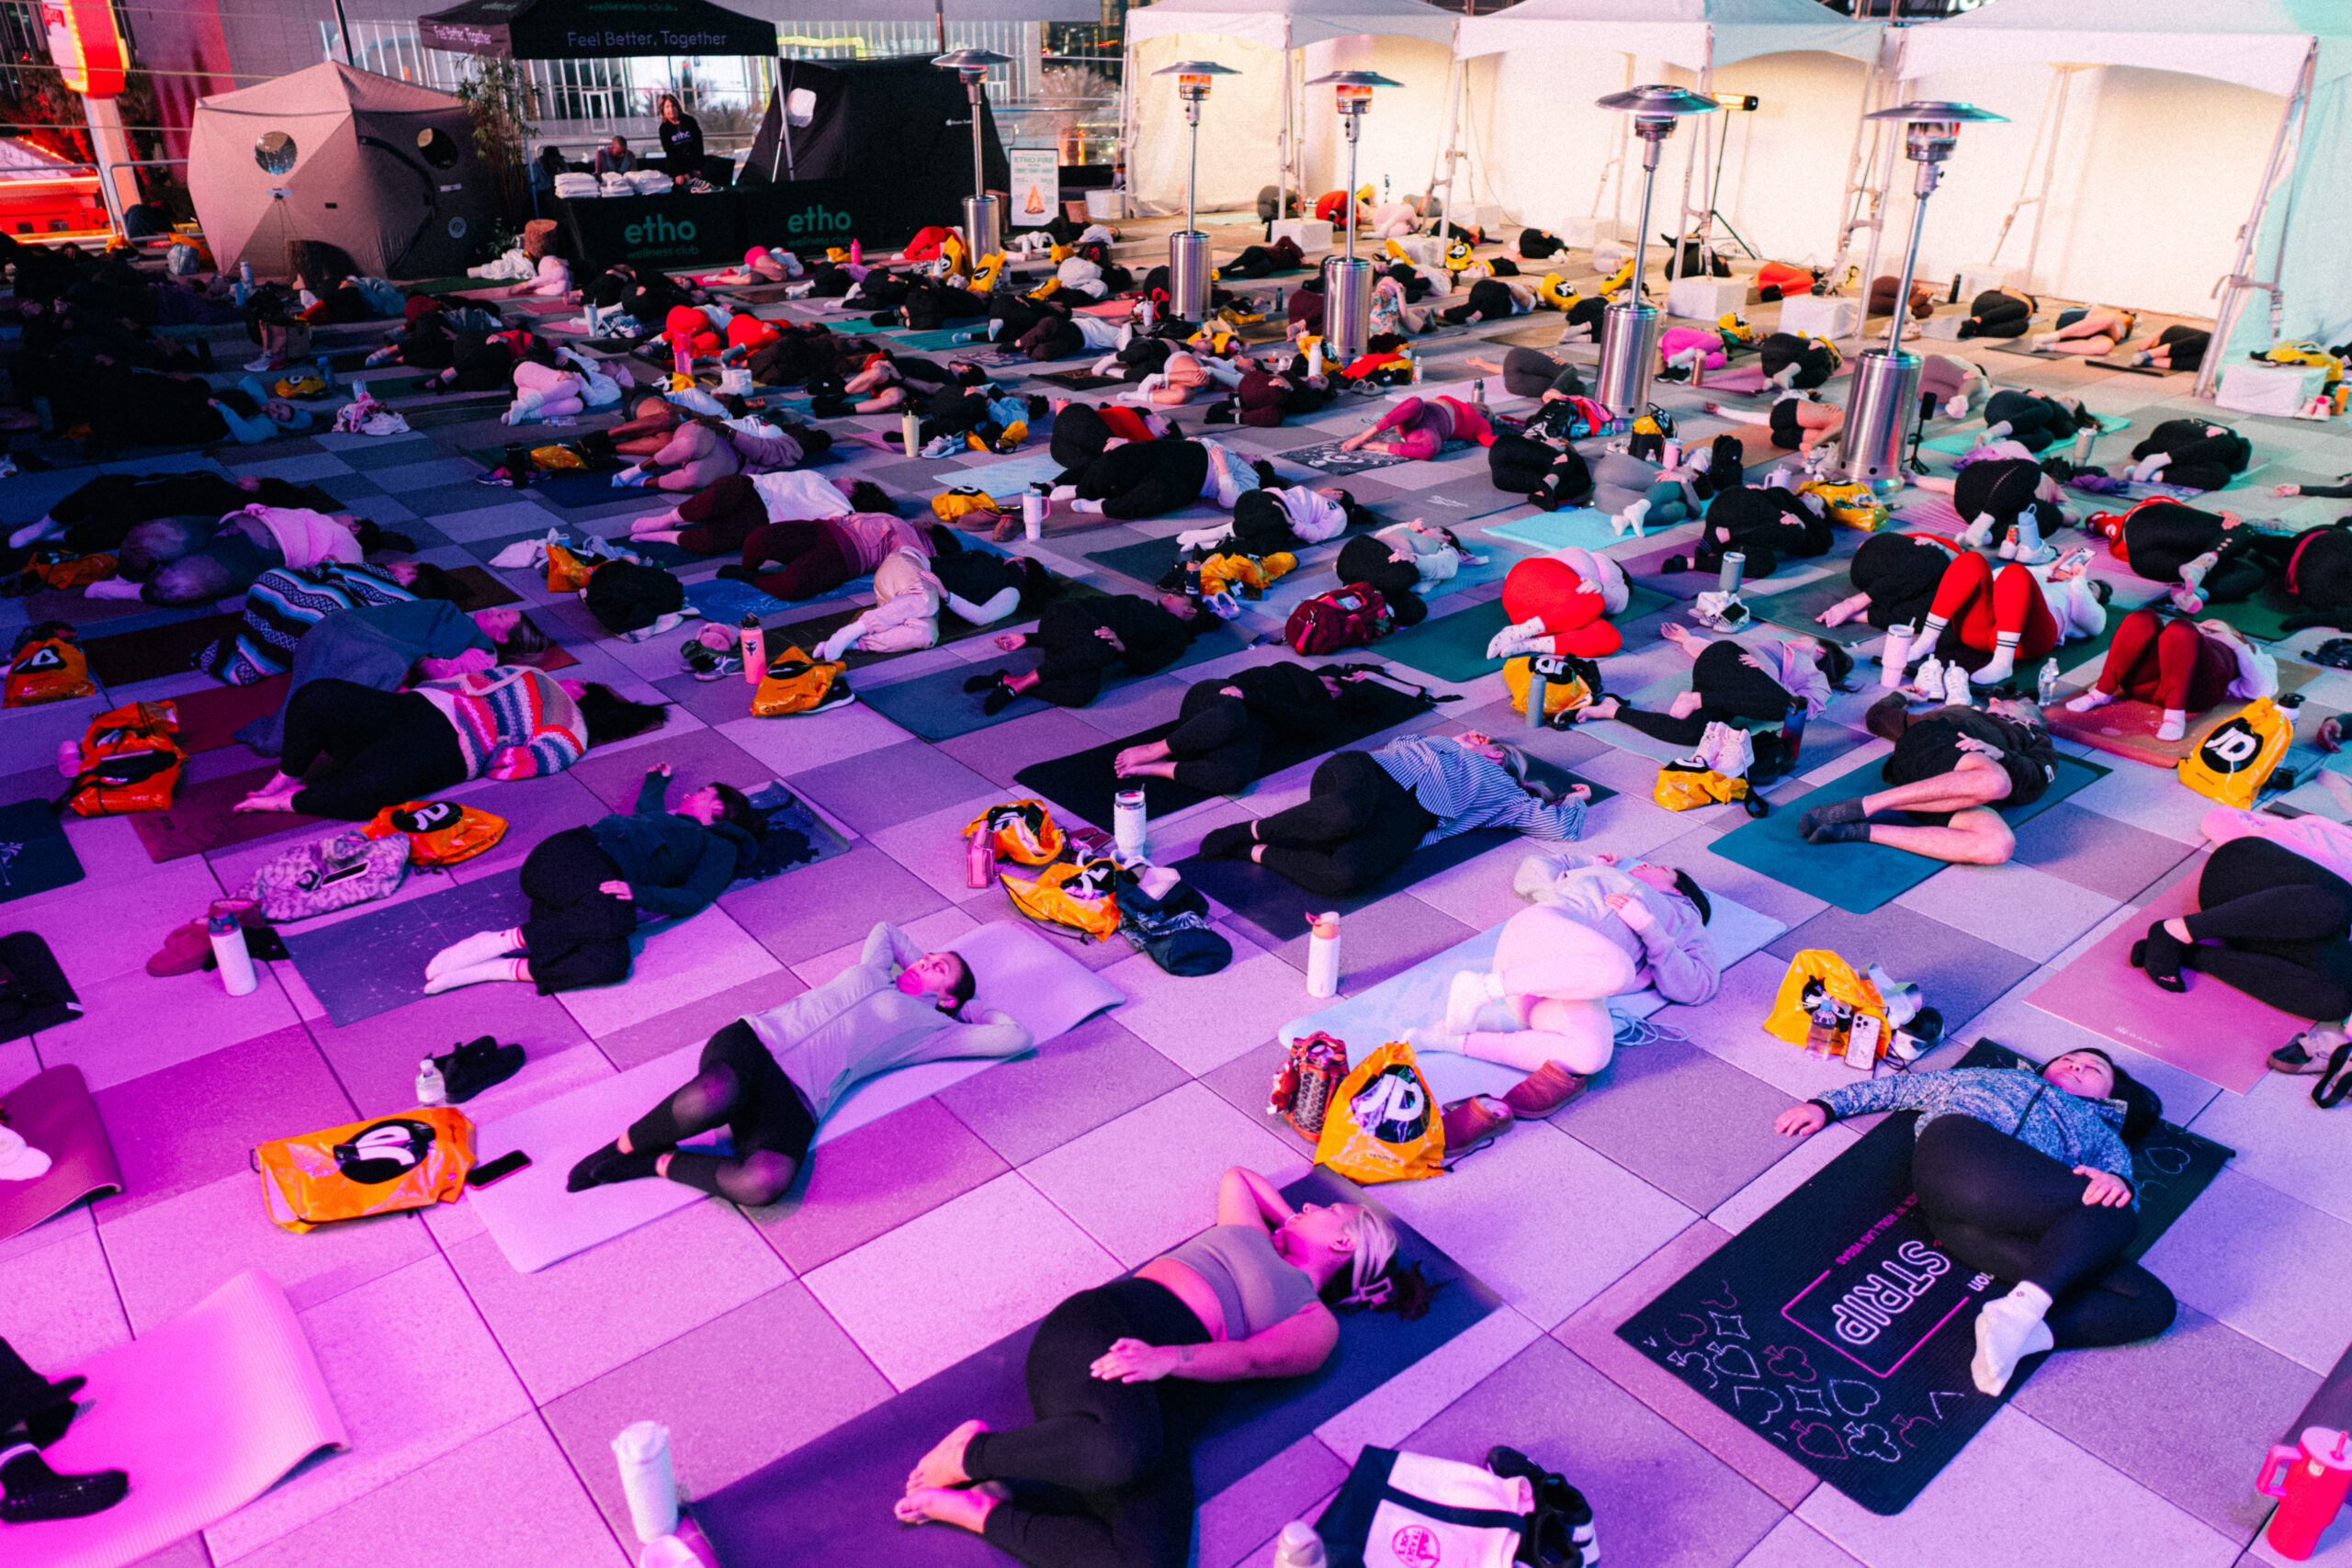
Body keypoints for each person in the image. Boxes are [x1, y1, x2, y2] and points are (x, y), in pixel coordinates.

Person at [894, 1166, 1398, 1566]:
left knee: (1148, 1560)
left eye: (1328, 1209)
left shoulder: (1314, 1319)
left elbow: (1249, 1360)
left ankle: (984, 1512)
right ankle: (974, 1454)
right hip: (1107, 1329)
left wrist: (1166, 1361)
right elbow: (1238, 1177)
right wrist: (1294, 1220)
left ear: (1345, 1243)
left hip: (1163, 1402)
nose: (1310, 1204)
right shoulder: (1248, 1232)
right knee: (1122, 1452)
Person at [1775, 1048, 2173, 1394]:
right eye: (2068, 1059)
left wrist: (2116, 1181)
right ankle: (2022, 1308)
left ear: (2110, 1098)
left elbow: (2117, 1203)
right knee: (2112, 1209)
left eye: (2093, 1069)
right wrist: (1824, 1105)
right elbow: (1900, 1090)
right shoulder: (1993, 1077)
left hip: (1967, 1230)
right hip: (1957, 1153)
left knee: (2151, 1302)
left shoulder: (2104, 1138)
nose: (2075, 1066)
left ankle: (2022, 1331)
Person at [569, 923, 1030, 1206]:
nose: (926, 961)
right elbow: (886, 929)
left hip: (798, 1098)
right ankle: (623, 1148)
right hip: (756, 1042)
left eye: (939, 968)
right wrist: (923, 966)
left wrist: (967, 1008)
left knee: (765, 1183)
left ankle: (659, 1162)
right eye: (928, 957)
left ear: (948, 996)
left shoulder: (935, 1032)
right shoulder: (874, 969)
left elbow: (1015, 1038)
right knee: (712, 1095)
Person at [1406, 852, 1716, 1122]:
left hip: (1561, 984)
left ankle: (1447, 1038)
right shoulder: (1597, 875)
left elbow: (1698, 987)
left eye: (1660, 868)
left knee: (1591, 1056)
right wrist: (1588, 864)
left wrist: (1650, 929)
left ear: (1681, 891)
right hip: (1535, 937)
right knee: (1618, 970)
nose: (1645, 864)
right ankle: (1482, 988)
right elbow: (1530, 872)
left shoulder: (1684, 916)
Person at [424, 764, 763, 994]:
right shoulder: (668, 823)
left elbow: (693, 896)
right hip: (568, 855)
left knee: (611, 964)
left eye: (703, 791)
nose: (690, 795)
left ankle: (495, 969)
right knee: (614, 917)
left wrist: (639, 892)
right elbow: (648, 814)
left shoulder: (719, 845)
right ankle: (493, 942)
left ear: (720, 809)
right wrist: (656, 781)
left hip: (587, 892)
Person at [230, 671, 665, 821]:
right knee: (370, 789)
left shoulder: (540, 683)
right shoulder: (572, 733)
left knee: (319, 697)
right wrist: (506, 739)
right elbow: (513, 766)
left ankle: (284, 776)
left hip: (419, 708)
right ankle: (286, 799)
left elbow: (457, 682)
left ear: (586, 690)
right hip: (451, 746)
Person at [1195, 732, 1592, 897]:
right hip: (1367, 776)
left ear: (1502, 761)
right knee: (1346, 813)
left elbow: (1559, 828)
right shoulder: (1438, 743)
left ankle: (1255, 852)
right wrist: (1456, 741)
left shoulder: (1505, 793)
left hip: (1406, 823)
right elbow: (1400, 744)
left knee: (1346, 877)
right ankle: (1248, 830)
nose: (1485, 741)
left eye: (1496, 748)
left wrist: (1575, 798)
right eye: (1481, 738)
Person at [236, 601, 553, 756]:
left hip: (343, 628)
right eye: (500, 608)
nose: (494, 610)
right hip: (357, 628)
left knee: (384, 661)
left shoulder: (483, 654)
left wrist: (409, 653)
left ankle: (320, 718)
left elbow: (435, 673)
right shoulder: (453, 617)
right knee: (380, 660)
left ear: (500, 638)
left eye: (501, 617)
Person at [1797, 694, 2058, 864]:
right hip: (1928, 749)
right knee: (1996, 782)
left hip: (1963, 795)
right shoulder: (1963, 714)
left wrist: (2000, 754)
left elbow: (2036, 780)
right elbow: (1878, 718)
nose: (1994, 699)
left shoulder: (2035, 738)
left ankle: (1858, 831)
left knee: (1998, 846)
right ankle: (1863, 807)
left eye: (2009, 701)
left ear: (2028, 718)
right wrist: (1903, 696)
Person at [2192, 808, 2352, 1064]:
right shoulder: (2315, 825)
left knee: (2336, 998)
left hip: (2249, 907)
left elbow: (2216, 818)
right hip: (2262, 898)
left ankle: (2191, 951)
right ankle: (2183, 933)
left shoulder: (2314, 823)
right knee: (2337, 904)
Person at [1574, 624, 1849, 751]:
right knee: (1783, 705)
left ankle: (1614, 711)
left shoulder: (1814, 676)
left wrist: (1767, 673)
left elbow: (1805, 710)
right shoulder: (1772, 646)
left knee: (1693, 732)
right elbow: (1719, 653)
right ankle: (1698, 699)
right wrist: (1687, 639)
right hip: (1721, 662)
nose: (1794, 639)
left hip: (1728, 692)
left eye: (1804, 638)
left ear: (1822, 651)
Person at [1113, 664, 1378, 791]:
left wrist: (1252, 698)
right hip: (1217, 699)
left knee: (1234, 779)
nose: (1334, 689)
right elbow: (1245, 681)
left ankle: (1153, 767)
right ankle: (1155, 749)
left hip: (1247, 730)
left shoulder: (1322, 717)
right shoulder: (1290, 672)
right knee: (1230, 718)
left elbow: (1308, 724)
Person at [91, 505, 412, 609]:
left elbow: (346, 578)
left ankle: (133, 590)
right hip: (222, 525)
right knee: (144, 535)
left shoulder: (346, 540)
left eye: (349, 516)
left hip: (248, 556)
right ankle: (125, 577)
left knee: (174, 586)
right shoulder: (311, 513)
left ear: (355, 526)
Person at [204, 558, 465, 685]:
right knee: (327, 604)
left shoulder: (395, 589)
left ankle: (272, 633)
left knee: (329, 604)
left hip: (310, 607)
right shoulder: (413, 606)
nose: (392, 564)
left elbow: (330, 572)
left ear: (412, 571)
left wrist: (331, 578)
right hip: (320, 616)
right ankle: (277, 635)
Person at [1886, 545, 2109, 687]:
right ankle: (1927, 640)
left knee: (2016, 572)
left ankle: (2003, 662)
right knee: (1971, 560)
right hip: (1981, 630)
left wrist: (2080, 581)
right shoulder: (2041, 574)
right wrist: (2048, 569)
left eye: (2093, 588)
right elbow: (1996, 578)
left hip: (2027, 642)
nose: (2079, 580)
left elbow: (2091, 621)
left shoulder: (2082, 598)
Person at [965, 593, 1217, 714]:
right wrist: (1031, 638)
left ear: (1190, 612)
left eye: (1181, 599)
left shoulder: (1176, 638)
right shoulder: (1135, 602)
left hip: (1085, 648)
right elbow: (1080, 618)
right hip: (1062, 614)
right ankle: (1019, 686)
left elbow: (1149, 663)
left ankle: (1007, 679)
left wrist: (1122, 647)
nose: (1171, 594)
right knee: (1100, 646)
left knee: (1081, 693)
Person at [2064, 611, 2275, 740]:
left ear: (2236, 634)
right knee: (2143, 618)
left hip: (2195, 694)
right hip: (2149, 685)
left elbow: (2261, 691)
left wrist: (2237, 646)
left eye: (2213, 629)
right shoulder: (2188, 639)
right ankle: (2102, 692)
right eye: (2203, 629)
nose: (2205, 630)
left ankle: (2174, 715)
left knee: (2180, 629)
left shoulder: (2255, 654)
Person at [722, 509, 944, 603]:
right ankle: (749, 569)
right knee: (759, 539)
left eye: (927, 524)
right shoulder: (897, 521)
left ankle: (750, 576)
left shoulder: (917, 544)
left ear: (930, 533)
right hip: (824, 529)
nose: (921, 521)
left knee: (791, 585)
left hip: (844, 555)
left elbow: (912, 568)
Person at [2093, 499, 2266, 613]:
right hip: (2145, 530)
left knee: (2255, 573)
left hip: (2146, 561)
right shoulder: (2202, 530)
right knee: (2244, 531)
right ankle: (2200, 569)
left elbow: (2096, 519)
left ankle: (2193, 594)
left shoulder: (2225, 546)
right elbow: (2096, 519)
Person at [1486, 546, 1634, 660]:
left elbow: (1617, 602)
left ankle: (1524, 644)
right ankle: (1518, 632)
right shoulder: (1602, 563)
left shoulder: (1593, 582)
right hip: (1526, 582)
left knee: (1610, 639)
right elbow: (1619, 603)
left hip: (1539, 615)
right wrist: (1601, 588)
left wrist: (1602, 588)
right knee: (1593, 601)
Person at [1817, 530, 1965, 631]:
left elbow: (1906, 620)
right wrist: (1855, 603)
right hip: (1884, 549)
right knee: (1934, 560)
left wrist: (1853, 616)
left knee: (1925, 619)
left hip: (1867, 574)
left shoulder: (1937, 614)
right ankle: (1858, 601)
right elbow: (1934, 553)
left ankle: (1858, 602)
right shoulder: (1945, 562)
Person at [1338, 393, 1495, 461]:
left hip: (1427, 430)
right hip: (1414, 415)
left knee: (1430, 449)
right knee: (1415, 402)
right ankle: (1363, 436)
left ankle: (1377, 446)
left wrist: (1519, 437)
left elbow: (1489, 441)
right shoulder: (1457, 401)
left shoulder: (1482, 423)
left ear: (1485, 410)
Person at [2123, 419, 2252, 492]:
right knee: (2226, 443)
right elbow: (2197, 423)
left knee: (2221, 476)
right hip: (2169, 433)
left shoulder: (2230, 462)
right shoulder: (2228, 441)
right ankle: (2159, 460)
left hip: (2168, 453)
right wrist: (2224, 431)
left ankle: (2155, 475)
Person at [2030, 306, 2136, 357]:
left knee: (2105, 347)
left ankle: (2047, 346)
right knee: (2107, 317)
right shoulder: (2105, 312)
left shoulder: (2121, 327)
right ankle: (2053, 336)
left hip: (2089, 335)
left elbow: (2119, 332)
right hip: (2073, 322)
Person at [654, 94, 704, 183]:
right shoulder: (664, 129)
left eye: (673, 106)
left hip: (694, 162)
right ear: (663, 110)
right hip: (677, 166)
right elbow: (670, 152)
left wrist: (697, 168)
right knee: (681, 181)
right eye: (667, 107)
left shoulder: (689, 121)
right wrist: (678, 173)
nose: (671, 109)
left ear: (677, 107)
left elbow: (698, 146)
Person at [1956, 287, 2037, 340]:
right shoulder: (2015, 297)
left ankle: (1977, 331)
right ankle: (1977, 320)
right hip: (1982, 304)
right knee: (2023, 307)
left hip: (1987, 322)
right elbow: (2003, 289)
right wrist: (2028, 304)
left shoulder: (2021, 314)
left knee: (2023, 325)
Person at [2123, 324, 2211, 373]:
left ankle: (2148, 361)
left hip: (2190, 345)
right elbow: (2142, 346)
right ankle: (2148, 357)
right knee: (2208, 340)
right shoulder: (2168, 330)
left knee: (2203, 363)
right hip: (2173, 340)